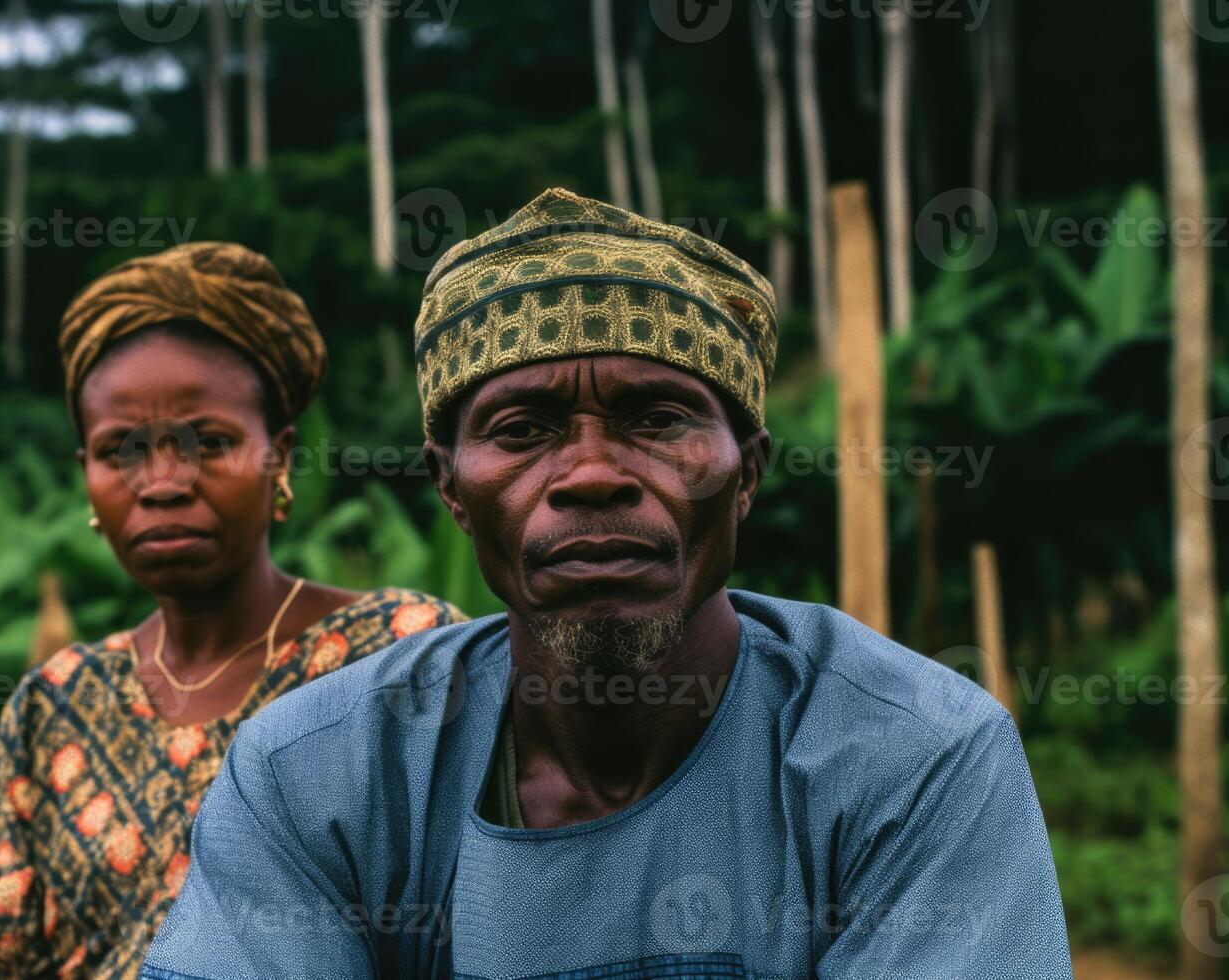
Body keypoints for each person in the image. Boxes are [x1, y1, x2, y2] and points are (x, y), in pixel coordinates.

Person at [141, 191, 1072, 978]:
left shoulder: (913, 759)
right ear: (451, 489)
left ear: (745, 473)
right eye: (522, 427)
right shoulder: (321, 774)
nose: (590, 473)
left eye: (657, 418)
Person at [0, 242, 464, 979]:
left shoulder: (400, 654)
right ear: (86, 477)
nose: (162, 482)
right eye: (121, 451)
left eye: (210, 442)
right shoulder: (59, 702)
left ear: (281, 456)